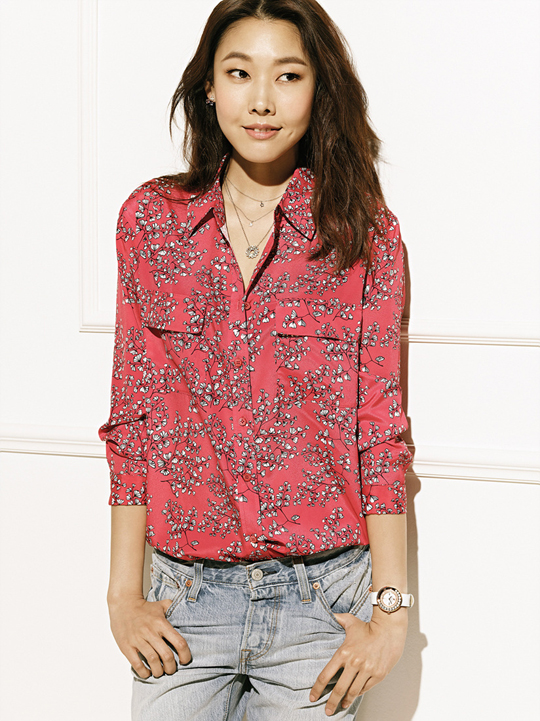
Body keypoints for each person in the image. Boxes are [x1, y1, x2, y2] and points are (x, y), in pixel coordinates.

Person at [99, 1, 413, 718]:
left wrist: (392, 615)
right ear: (209, 87)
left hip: (321, 605)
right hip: (182, 602)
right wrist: (122, 595)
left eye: (289, 75)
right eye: (239, 73)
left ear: (318, 89)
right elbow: (133, 414)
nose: (262, 100)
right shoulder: (151, 221)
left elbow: (380, 431)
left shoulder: (363, 233)